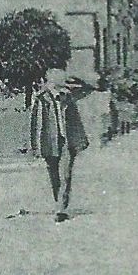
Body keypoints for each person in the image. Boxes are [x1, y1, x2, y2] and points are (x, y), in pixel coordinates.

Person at [28, 68, 92, 222]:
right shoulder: (41, 99)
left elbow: (85, 93)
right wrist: (36, 147)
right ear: (51, 81)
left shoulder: (68, 97)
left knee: (66, 175)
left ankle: (61, 208)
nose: (62, 82)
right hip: (50, 142)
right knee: (54, 176)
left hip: (67, 142)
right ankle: (59, 202)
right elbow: (35, 124)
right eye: (60, 79)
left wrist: (80, 141)